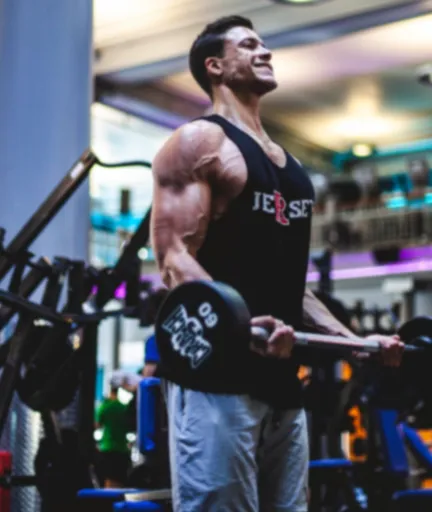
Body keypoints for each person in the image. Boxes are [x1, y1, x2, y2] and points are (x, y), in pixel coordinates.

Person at [150, 15, 405, 512]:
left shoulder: (292, 169)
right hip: (216, 375)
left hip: (282, 378)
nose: (265, 52)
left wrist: (354, 344)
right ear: (215, 66)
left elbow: (292, 286)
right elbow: (174, 257)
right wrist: (237, 326)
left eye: (264, 44)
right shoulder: (198, 143)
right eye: (249, 45)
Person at [95, 380, 131, 488]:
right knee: (120, 479)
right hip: (122, 448)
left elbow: (97, 425)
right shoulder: (123, 407)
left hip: (107, 447)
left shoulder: (104, 407)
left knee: (108, 479)